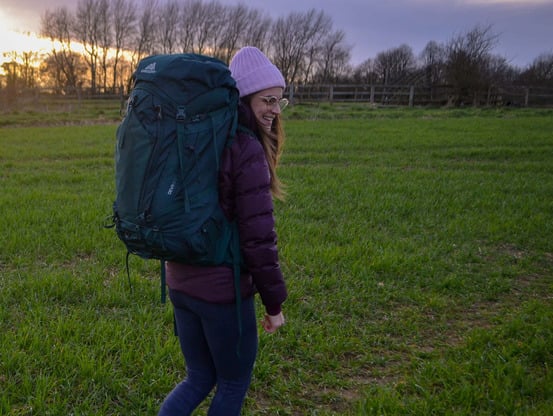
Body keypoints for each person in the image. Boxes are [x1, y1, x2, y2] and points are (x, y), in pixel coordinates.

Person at [158, 46, 289, 416]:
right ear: (244, 97)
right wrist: (274, 303)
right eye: (267, 100)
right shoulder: (244, 148)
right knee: (232, 383)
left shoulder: (198, 139)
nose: (275, 110)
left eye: (280, 101)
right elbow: (258, 239)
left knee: (198, 378)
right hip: (220, 292)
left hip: (180, 281)